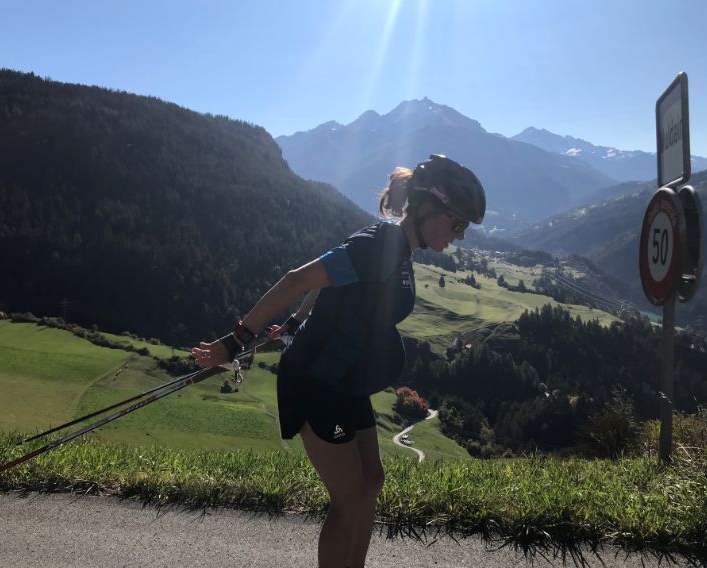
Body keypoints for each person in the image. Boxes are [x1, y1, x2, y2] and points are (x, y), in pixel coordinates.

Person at [192, 154, 486, 568]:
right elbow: (297, 279)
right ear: (426, 209)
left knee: (372, 482)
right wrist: (235, 341)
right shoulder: (379, 244)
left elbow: (329, 282)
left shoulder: (398, 248)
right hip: (316, 383)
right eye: (457, 224)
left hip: (344, 379)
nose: (459, 236)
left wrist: (295, 322)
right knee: (349, 498)